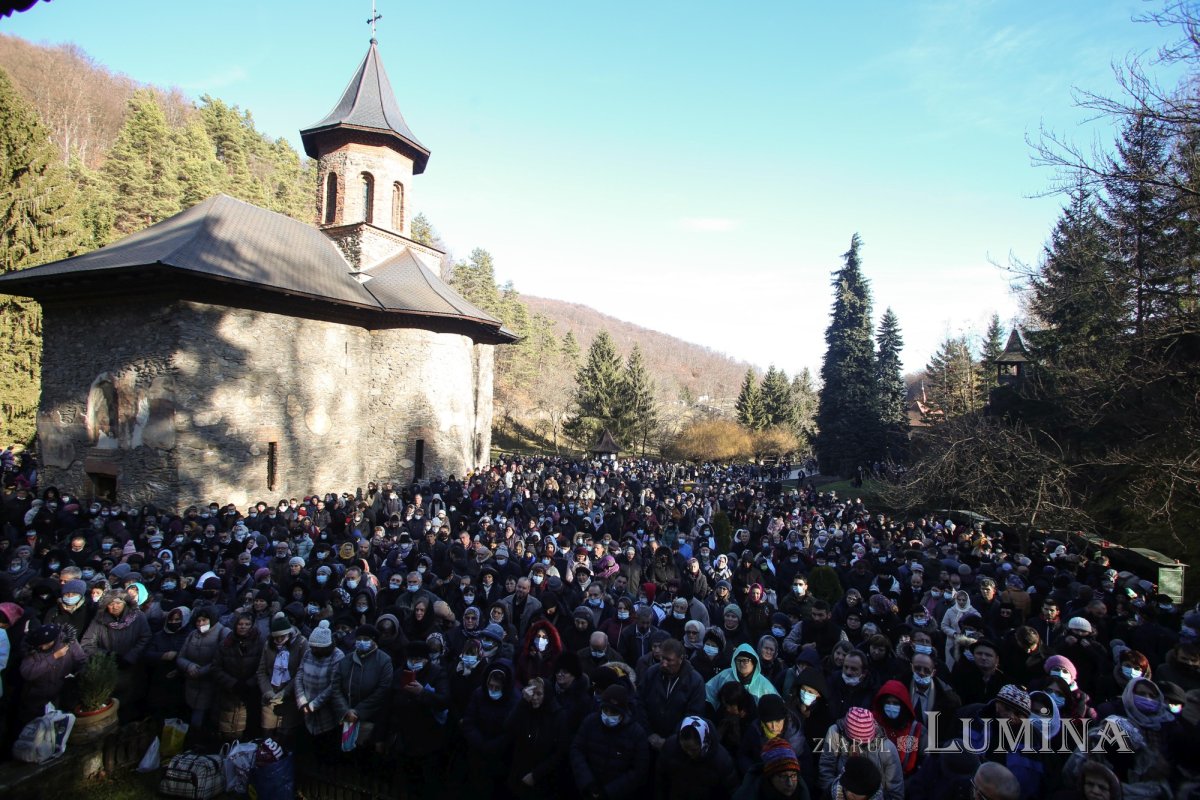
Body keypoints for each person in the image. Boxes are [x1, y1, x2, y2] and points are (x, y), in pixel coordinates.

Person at [81, 589, 151, 722]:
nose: (114, 606)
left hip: (132, 669)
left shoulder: (138, 617)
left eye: (118, 602)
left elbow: (145, 637)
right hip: (106, 670)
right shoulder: (99, 619)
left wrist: (131, 656)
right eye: (110, 603)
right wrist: (107, 655)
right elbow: (87, 643)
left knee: (129, 705)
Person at [571, 684, 650, 800]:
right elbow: (576, 750)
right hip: (588, 790)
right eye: (605, 710)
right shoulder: (590, 722)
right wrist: (588, 782)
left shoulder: (636, 733)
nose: (608, 716)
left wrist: (609, 791)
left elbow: (639, 770)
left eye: (613, 712)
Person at [639, 637, 706, 752]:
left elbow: (693, 714)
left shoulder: (695, 681)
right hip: (648, 740)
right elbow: (639, 702)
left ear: (681, 659)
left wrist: (671, 741)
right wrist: (649, 733)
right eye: (662, 658)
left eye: (669, 660)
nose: (664, 664)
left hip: (677, 746)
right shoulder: (651, 673)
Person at [506, 676, 568, 799]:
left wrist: (536, 775)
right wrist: (523, 702)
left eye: (539, 694)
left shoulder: (558, 716)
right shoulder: (526, 708)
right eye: (532, 693)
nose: (534, 698)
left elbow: (560, 752)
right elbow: (509, 726)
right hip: (519, 773)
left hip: (543, 781)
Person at [175, 605, 227, 747]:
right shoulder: (193, 634)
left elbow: (220, 659)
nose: (200, 624)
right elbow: (181, 656)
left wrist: (201, 671)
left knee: (204, 718)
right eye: (198, 621)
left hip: (211, 684)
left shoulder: (223, 633)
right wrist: (189, 666)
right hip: (192, 683)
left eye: (204, 620)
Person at [655, 715, 738, 800]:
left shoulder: (721, 759)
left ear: (703, 742)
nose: (689, 753)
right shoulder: (671, 747)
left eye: (693, 750)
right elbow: (660, 779)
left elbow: (731, 790)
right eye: (685, 749)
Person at [293, 620, 344, 758]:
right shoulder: (309, 653)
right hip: (306, 705)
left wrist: (315, 704)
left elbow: (334, 685)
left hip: (326, 710)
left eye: (318, 648)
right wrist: (302, 700)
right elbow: (299, 675)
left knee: (326, 747)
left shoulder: (337, 656)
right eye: (313, 647)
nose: (314, 650)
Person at [257, 611, 307, 743]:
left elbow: (300, 672)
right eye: (276, 638)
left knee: (285, 737)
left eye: (282, 636)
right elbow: (261, 671)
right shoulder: (269, 644)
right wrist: (268, 691)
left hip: (290, 697)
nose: (279, 640)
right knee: (267, 736)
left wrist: (285, 692)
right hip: (270, 696)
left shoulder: (301, 643)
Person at [706, 643, 780, 711]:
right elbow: (708, 691)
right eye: (739, 660)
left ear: (753, 662)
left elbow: (777, 705)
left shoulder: (764, 684)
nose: (742, 664)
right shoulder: (725, 675)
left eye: (745, 661)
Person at [733, 737, 812, 800]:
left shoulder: (802, 792)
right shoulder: (748, 795)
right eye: (783, 776)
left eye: (793, 775)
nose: (790, 783)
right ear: (770, 777)